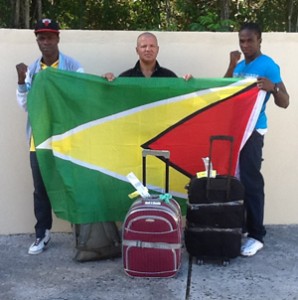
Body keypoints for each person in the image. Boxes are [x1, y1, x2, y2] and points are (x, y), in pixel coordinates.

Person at [16, 18, 84, 255]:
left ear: (58, 38)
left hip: (66, 140)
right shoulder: (32, 70)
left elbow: (81, 99)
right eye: (41, 38)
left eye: (50, 37)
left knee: (72, 185)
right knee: (41, 189)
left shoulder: (73, 67)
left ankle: (82, 233)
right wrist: (21, 82)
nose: (46, 42)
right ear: (37, 40)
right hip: (40, 142)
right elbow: (26, 105)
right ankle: (42, 234)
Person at [224, 22, 289, 256]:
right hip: (236, 131)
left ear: (260, 40)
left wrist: (273, 88)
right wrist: (231, 65)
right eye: (242, 40)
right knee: (236, 181)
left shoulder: (269, 66)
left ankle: (256, 235)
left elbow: (285, 101)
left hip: (254, 132)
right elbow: (224, 91)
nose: (245, 45)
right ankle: (242, 227)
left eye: (250, 40)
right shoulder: (240, 65)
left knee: (251, 182)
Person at [104, 31, 192, 80]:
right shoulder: (125, 78)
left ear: (157, 50)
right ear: (137, 50)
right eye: (143, 46)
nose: (148, 49)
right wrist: (105, 83)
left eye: (152, 46)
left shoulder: (169, 77)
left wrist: (189, 84)